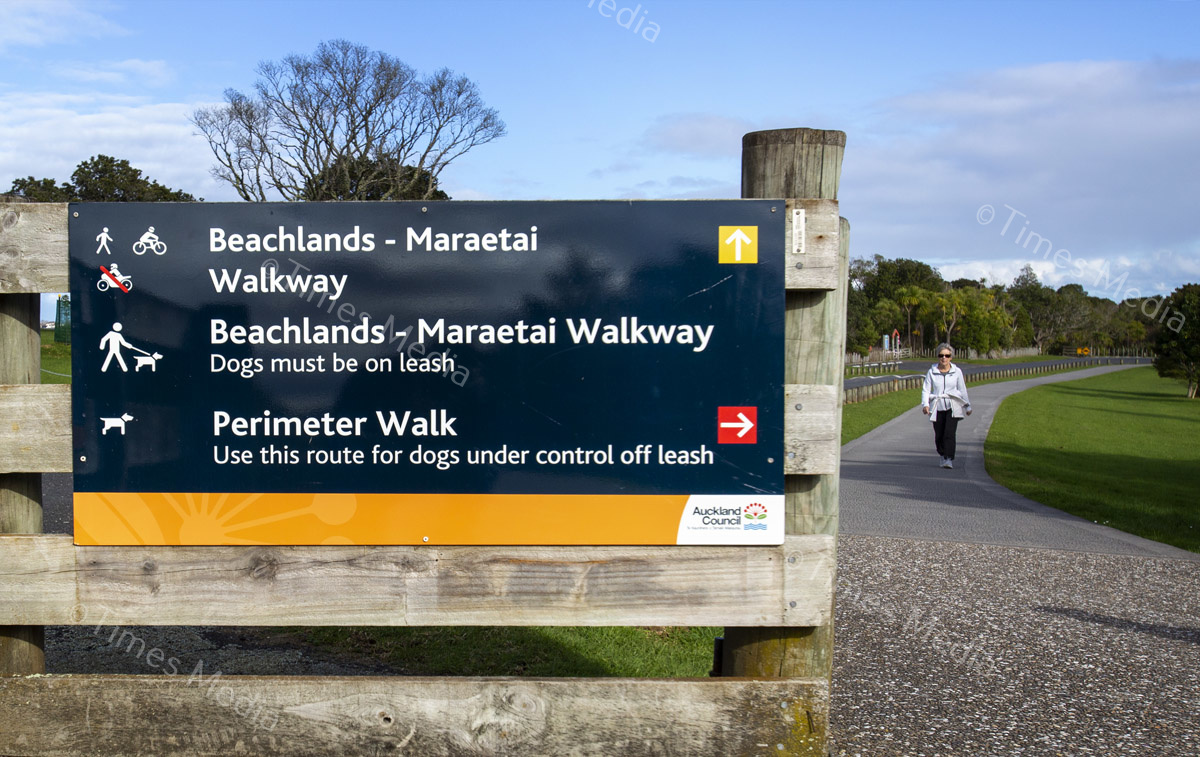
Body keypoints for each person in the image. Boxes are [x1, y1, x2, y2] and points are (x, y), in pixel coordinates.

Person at [921, 342, 972, 468]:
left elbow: (962, 389)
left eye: (947, 355)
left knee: (949, 433)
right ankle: (942, 454)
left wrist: (967, 406)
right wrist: (925, 405)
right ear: (938, 356)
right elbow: (926, 389)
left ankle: (948, 458)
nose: (944, 358)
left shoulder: (957, 371)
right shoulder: (932, 372)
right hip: (937, 406)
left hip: (952, 405)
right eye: (941, 355)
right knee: (939, 434)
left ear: (951, 357)